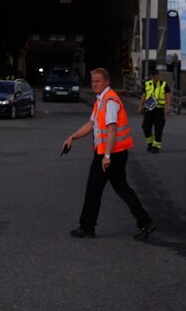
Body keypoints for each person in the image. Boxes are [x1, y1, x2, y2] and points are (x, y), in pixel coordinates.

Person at [61, 67, 156, 240]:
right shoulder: (101, 101)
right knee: (121, 188)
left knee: (93, 190)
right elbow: (91, 125)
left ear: (107, 82)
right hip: (114, 153)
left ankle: (86, 227)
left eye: (98, 81)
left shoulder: (110, 101)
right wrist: (72, 137)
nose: (94, 84)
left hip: (108, 154)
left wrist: (106, 156)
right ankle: (145, 222)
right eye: (92, 81)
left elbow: (112, 130)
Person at [140, 68, 169, 153]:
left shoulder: (163, 84)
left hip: (159, 109)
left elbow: (168, 95)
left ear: (158, 75)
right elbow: (144, 95)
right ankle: (149, 143)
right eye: (152, 76)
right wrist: (140, 106)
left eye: (155, 75)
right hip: (149, 109)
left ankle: (156, 146)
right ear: (150, 76)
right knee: (145, 127)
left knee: (158, 128)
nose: (154, 77)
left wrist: (168, 106)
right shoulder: (147, 84)